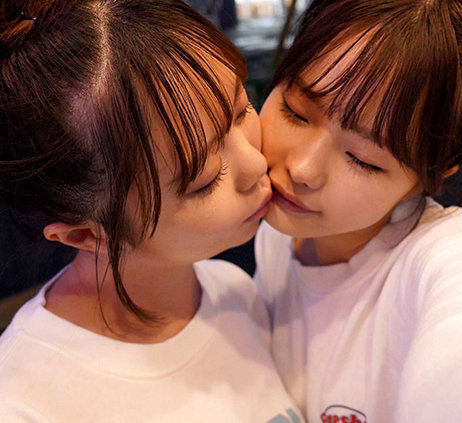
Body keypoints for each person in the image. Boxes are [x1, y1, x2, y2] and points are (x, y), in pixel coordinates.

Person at [0, 1, 304, 422]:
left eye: (241, 110)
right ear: (86, 235)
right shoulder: (26, 402)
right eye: (204, 180)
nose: (255, 164)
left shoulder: (235, 293)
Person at [255, 0, 462, 422]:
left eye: (363, 159)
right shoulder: (275, 231)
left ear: (435, 171)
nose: (302, 169)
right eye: (296, 112)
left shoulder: (450, 259)